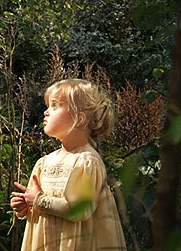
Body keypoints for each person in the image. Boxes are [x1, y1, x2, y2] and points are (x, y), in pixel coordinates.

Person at [11, 79, 127, 250]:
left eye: (55, 106)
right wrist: (25, 207)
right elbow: (36, 207)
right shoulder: (43, 163)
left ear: (79, 118)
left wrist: (38, 199)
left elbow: (80, 210)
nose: (46, 112)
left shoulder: (87, 162)